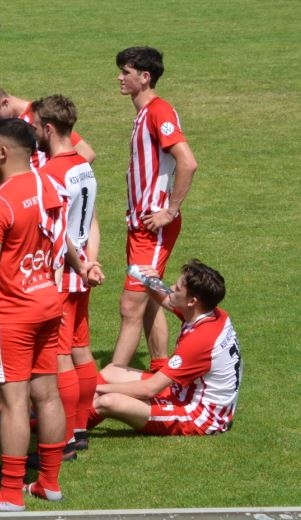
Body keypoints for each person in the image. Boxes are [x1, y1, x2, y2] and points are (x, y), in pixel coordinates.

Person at [0, 118, 67, 512]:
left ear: (3, 152)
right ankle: (49, 482)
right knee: (48, 395)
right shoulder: (47, 184)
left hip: (12, 313)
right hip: (48, 302)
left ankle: (9, 494)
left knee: (12, 403)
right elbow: (61, 238)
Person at [110, 46, 198, 376]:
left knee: (130, 305)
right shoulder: (145, 113)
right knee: (148, 295)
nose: (119, 77)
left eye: (126, 72)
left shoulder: (159, 111)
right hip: (141, 224)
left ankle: (112, 379)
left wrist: (170, 210)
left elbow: (188, 162)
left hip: (153, 225)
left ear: (145, 77)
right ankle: (161, 369)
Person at [30, 95, 105, 454]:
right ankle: (81, 427)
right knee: (81, 350)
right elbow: (93, 221)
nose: (32, 133)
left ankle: (66, 437)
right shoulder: (83, 166)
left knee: (59, 357)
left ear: (48, 128)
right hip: (82, 275)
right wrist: (92, 262)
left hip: (60, 276)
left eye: (35, 127)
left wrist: (79, 264)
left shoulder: (49, 174)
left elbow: (58, 232)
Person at [95, 260, 240, 436]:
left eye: (177, 289)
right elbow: (166, 299)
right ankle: (74, 412)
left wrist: (98, 389)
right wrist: (149, 281)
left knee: (108, 401)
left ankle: (72, 431)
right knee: (111, 371)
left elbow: (149, 389)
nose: (171, 288)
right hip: (184, 392)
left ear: (192, 301)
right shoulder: (210, 313)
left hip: (199, 416)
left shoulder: (200, 340)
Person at [0, 81, 97, 167]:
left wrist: (57, 183)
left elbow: (87, 153)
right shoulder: (9, 125)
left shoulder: (41, 116)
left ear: (5, 103)